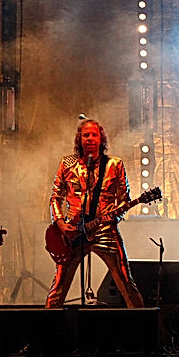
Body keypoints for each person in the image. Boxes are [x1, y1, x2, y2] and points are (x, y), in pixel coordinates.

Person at [45, 119, 144, 308]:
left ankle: (143, 328)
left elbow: (124, 198)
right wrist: (60, 224)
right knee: (58, 287)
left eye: (94, 135)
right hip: (72, 232)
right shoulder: (67, 164)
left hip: (105, 230)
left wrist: (114, 216)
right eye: (86, 135)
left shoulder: (115, 164)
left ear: (101, 139)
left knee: (126, 281)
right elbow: (56, 196)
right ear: (79, 139)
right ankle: (47, 332)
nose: (90, 138)